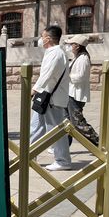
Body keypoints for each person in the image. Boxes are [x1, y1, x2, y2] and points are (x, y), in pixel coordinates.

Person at [30, 25, 72, 171]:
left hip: (52, 99)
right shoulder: (51, 52)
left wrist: (34, 89)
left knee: (56, 130)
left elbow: (47, 74)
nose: (41, 39)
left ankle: (63, 161)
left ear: (48, 38)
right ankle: (29, 155)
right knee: (36, 127)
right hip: (46, 97)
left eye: (42, 36)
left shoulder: (56, 53)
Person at [66, 34, 99, 146]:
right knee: (67, 122)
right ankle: (64, 147)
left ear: (78, 46)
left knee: (78, 123)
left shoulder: (83, 58)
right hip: (71, 93)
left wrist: (67, 76)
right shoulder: (77, 57)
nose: (70, 46)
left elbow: (80, 77)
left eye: (72, 44)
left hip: (76, 95)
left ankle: (98, 143)